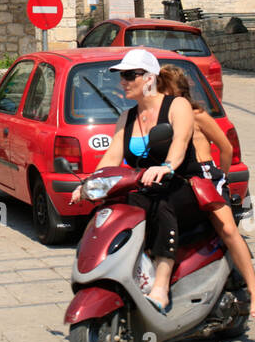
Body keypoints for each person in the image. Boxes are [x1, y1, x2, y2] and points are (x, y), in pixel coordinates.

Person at [70, 49, 203, 314]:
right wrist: (87, 184)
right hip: (144, 184)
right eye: (122, 76)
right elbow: (112, 155)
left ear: (150, 78)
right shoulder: (126, 117)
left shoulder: (176, 106)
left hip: (182, 183)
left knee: (162, 204)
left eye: (130, 75)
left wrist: (166, 167)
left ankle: (161, 287)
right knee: (108, 211)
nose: (123, 82)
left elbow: (180, 143)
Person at [156, 65, 255, 317]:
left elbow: (225, 147)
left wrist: (222, 178)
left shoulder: (197, 116)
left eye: (169, 93)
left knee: (227, 229)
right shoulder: (161, 118)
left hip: (207, 177)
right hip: (180, 178)